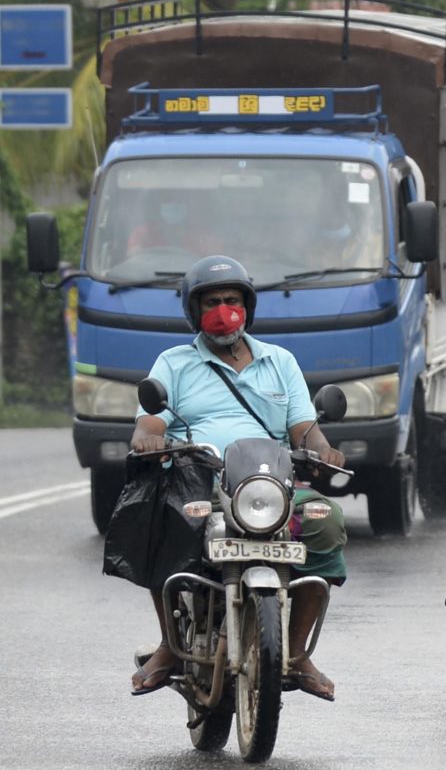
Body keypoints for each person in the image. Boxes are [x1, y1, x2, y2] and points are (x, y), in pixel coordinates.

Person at [127, 255, 346, 701]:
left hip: (268, 484)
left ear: (247, 307)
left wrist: (322, 449)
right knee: (159, 520)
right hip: (198, 482)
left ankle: (298, 652)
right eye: (212, 301)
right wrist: (148, 441)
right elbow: (148, 425)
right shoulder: (173, 363)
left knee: (326, 519)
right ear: (194, 311)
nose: (224, 309)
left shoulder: (280, 361)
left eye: (232, 300)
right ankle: (171, 644)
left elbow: (304, 428)